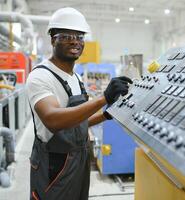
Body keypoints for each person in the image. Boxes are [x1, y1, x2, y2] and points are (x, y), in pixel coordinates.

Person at [26, 7, 132, 200]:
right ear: (52, 39)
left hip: (80, 160)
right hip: (54, 164)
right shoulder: (40, 76)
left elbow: (77, 123)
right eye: (66, 36)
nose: (75, 41)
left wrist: (106, 115)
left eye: (79, 36)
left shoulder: (76, 78)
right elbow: (53, 120)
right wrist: (103, 99)